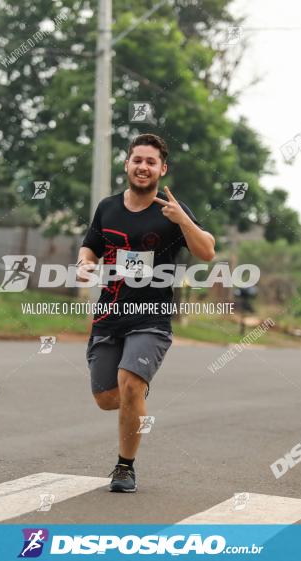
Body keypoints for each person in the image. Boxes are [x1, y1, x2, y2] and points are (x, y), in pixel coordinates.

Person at [76, 133, 215, 492]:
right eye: (137, 159)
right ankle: (135, 395)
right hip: (110, 314)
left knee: (129, 383)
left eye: (151, 162)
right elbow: (90, 246)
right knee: (108, 398)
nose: (143, 167)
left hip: (151, 317)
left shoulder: (171, 209)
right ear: (127, 164)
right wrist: (84, 263)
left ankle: (125, 467)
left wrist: (183, 220)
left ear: (162, 169)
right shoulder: (107, 207)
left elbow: (207, 252)